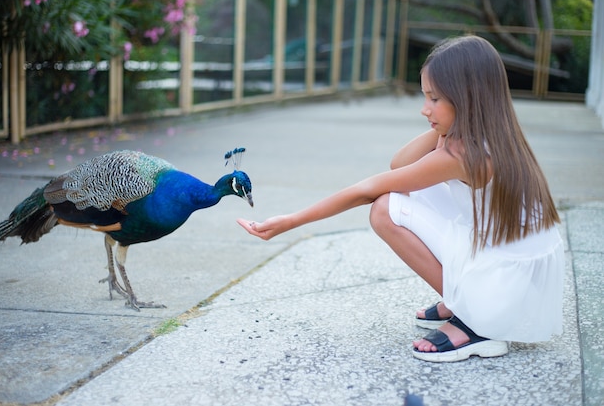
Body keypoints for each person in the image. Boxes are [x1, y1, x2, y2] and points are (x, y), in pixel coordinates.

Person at [237, 35, 564, 363]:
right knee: (409, 189)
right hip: (513, 271)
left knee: (384, 209)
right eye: (425, 97)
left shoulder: (463, 152)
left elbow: (368, 189)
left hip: (505, 283)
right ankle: (465, 298)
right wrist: (441, 127)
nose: (424, 109)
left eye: (434, 99)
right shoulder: (492, 131)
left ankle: (476, 322)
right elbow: (401, 164)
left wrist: (291, 221)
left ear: (466, 99)